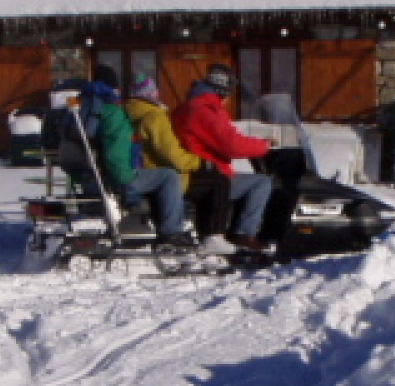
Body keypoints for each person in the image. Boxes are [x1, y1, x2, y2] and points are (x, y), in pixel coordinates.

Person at [58, 65, 194, 249]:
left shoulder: (82, 107)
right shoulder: (112, 112)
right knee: (169, 176)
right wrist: (128, 187)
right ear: (115, 88)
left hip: (89, 177)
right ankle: (171, 233)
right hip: (113, 177)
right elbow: (116, 153)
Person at [124, 73, 236, 255]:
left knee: (214, 181)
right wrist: (200, 162)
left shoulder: (133, 111)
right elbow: (173, 156)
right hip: (164, 172)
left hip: (149, 170)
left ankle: (209, 236)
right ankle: (210, 236)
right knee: (217, 182)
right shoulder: (154, 116)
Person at [171, 63, 274, 252]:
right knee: (261, 183)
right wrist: (264, 146)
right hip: (207, 173)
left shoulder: (190, 106)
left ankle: (234, 233)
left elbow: (227, 136)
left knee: (248, 180)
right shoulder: (205, 110)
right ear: (222, 91)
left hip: (199, 170)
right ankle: (243, 234)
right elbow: (230, 144)